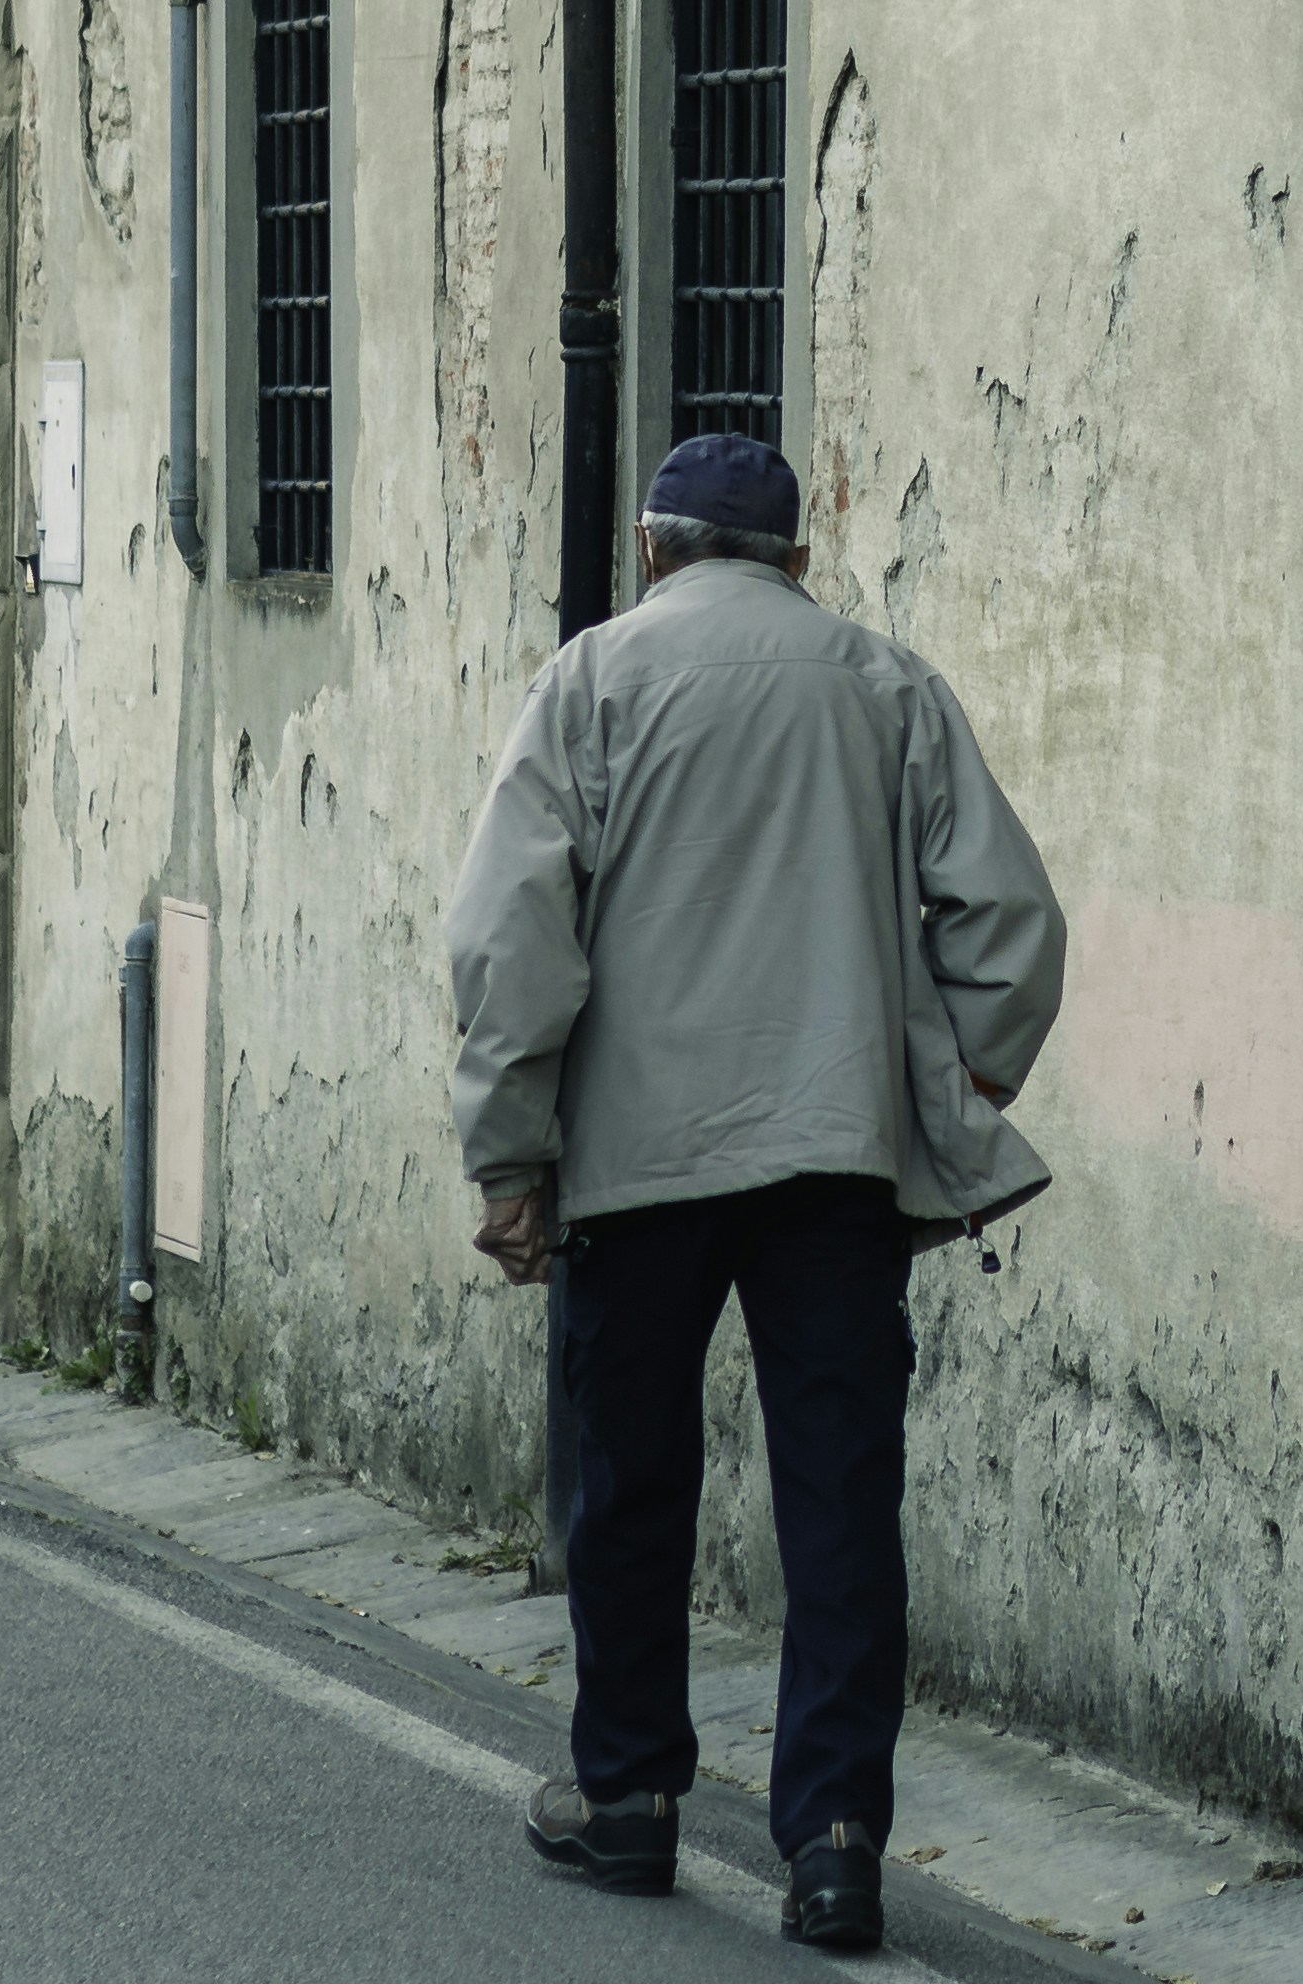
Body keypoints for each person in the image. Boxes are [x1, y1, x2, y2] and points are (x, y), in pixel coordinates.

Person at [446, 434, 1066, 1955]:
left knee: (631, 1485)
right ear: (795, 558)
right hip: (834, 1160)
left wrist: (507, 1150)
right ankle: (837, 1839)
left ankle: (633, 1798)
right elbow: (1008, 920)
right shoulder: (882, 684)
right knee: (842, 1497)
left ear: (655, 548)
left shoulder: (588, 683)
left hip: (637, 1168)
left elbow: (508, 944)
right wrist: (958, 1088)